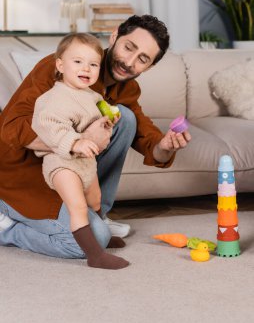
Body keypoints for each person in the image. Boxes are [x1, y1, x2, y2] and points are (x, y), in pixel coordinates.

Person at [0, 14, 191, 261]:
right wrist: (77, 141)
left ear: (150, 67)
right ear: (114, 36)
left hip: (69, 175)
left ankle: (97, 215)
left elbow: (149, 141)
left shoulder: (127, 90)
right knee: (91, 243)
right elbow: (12, 128)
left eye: (142, 59)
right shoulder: (63, 67)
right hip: (24, 176)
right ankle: (8, 229)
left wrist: (166, 146)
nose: (129, 61)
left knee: (126, 118)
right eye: (128, 47)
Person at [31, 33, 129, 269]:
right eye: (78, 62)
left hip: (86, 162)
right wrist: (75, 143)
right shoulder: (52, 98)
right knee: (77, 207)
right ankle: (95, 254)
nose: (86, 68)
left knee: (95, 200)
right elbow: (48, 126)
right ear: (60, 65)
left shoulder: (93, 96)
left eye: (93, 64)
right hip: (62, 163)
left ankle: (101, 236)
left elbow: (93, 121)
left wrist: (107, 121)